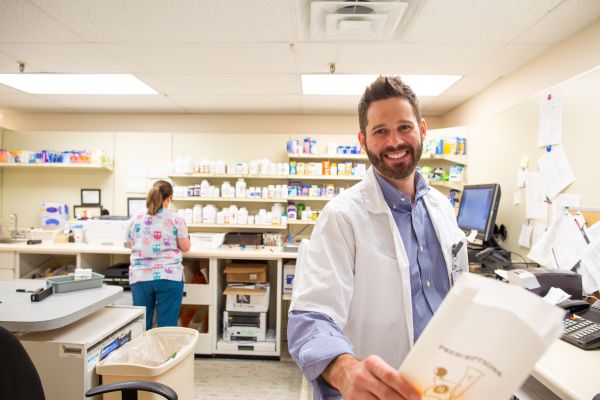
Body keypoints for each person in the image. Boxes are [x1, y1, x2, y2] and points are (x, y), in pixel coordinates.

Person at [288, 76, 468, 400]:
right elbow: (311, 317)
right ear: (363, 140)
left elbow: (458, 295)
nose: (394, 141)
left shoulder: (443, 208)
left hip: (443, 386)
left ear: (422, 129)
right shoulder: (342, 217)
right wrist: (346, 371)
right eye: (380, 131)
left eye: (404, 127)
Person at [126, 180, 191, 331]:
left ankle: (142, 354)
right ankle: (165, 354)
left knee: (141, 326)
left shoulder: (136, 218)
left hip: (141, 277)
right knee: (166, 328)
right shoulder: (176, 219)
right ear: (169, 198)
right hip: (168, 276)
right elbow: (185, 247)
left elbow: (129, 244)